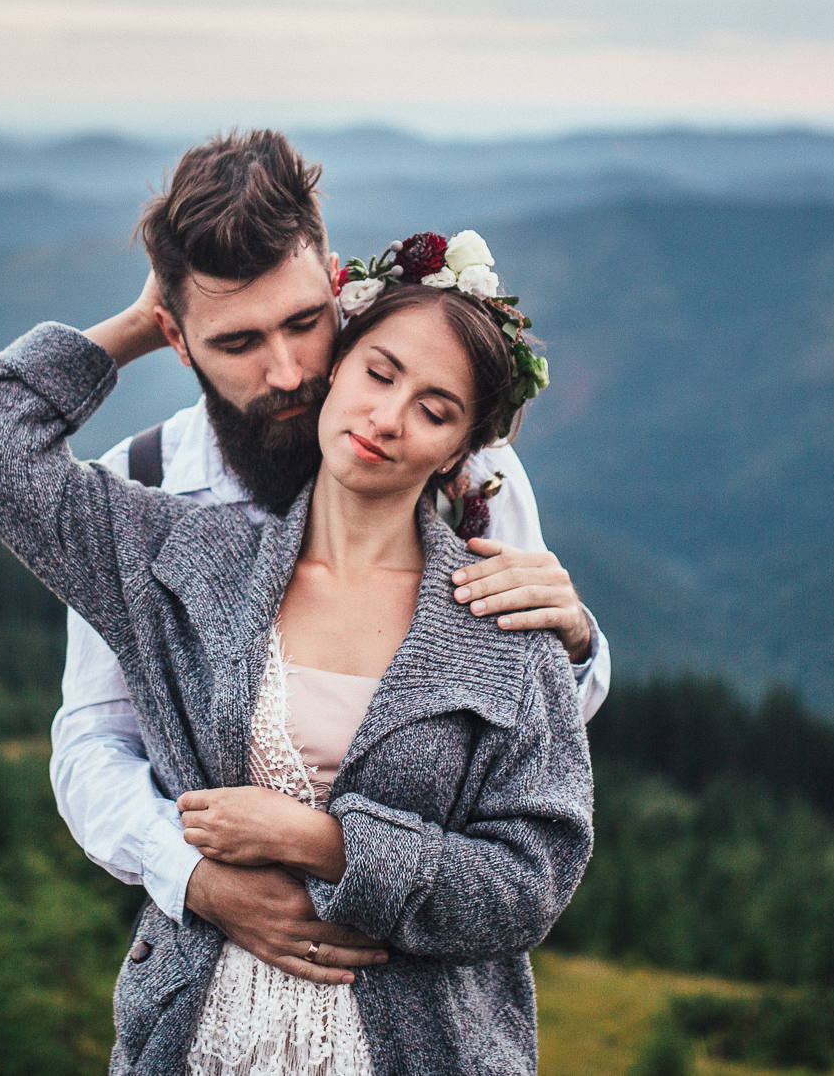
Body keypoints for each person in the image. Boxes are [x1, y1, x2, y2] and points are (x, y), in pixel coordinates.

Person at [0, 224, 594, 1074]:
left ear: (461, 448)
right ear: (334, 370)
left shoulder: (503, 614)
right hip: (196, 1045)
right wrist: (150, 319)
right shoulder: (181, 564)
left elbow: (529, 883)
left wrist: (329, 843)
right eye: (378, 373)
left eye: (434, 409)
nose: (387, 418)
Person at [50, 131, 610, 987]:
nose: (285, 370)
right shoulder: (141, 483)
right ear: (178, 335)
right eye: (236, 342)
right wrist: (197, 878)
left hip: (418, 980)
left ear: (337, 286)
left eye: (306, 323)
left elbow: (533, 736)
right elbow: (92, 741)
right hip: (216, 981)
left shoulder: (474, 473)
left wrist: (572, 640)